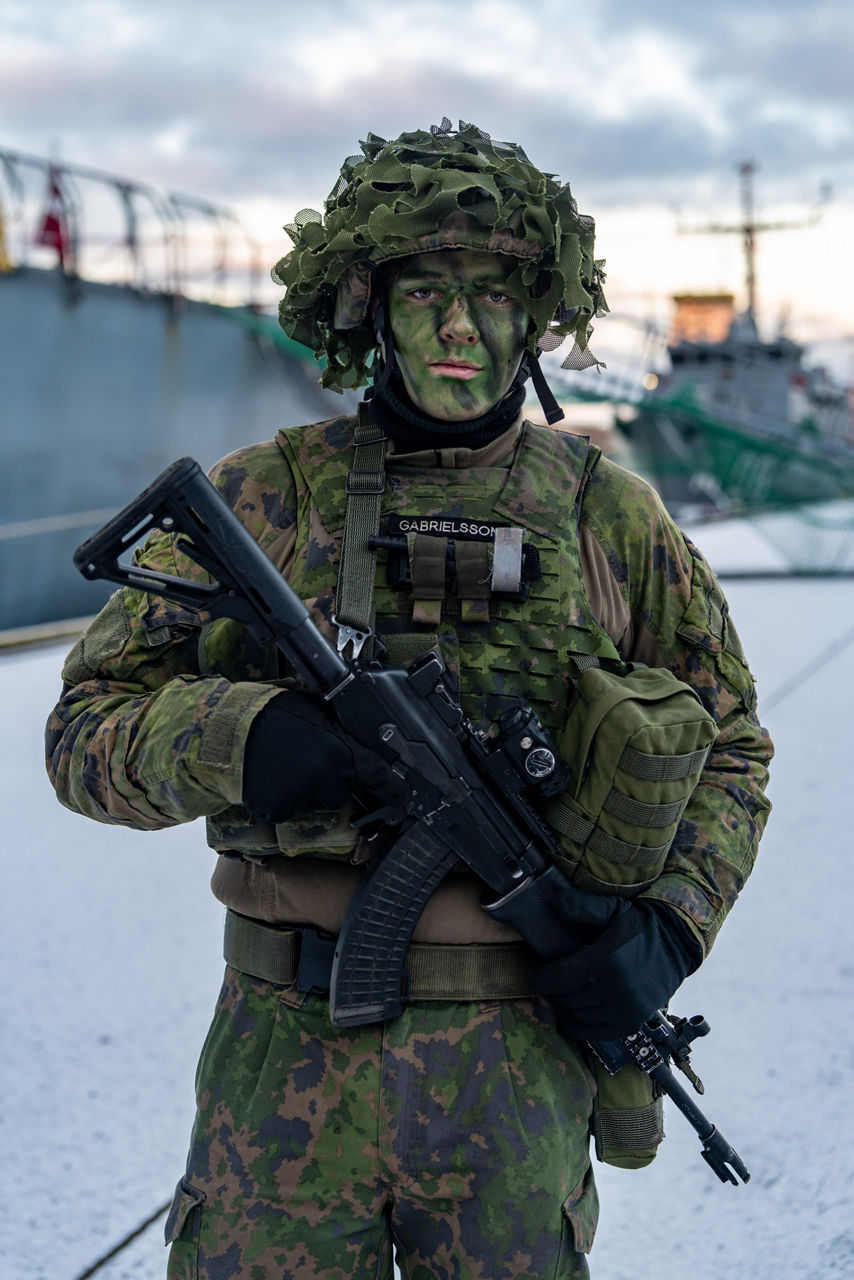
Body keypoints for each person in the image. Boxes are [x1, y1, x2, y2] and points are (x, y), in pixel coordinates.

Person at [45, 120, 773, 1279]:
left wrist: (669, 924)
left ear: (537, 313)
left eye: (491, 294)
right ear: (365, 302)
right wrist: (241, 737)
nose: (455, 325)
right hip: (282, 1058)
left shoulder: (609, 516)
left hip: (516, 1072)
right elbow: (82, 731)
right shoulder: (269, 496)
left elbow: (730, 745)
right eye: (425, 287)